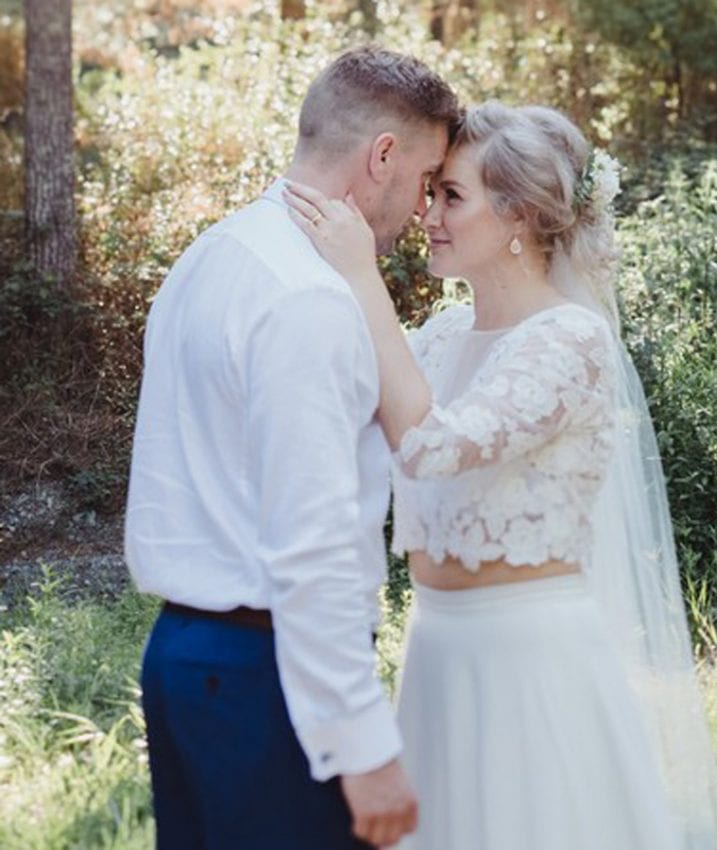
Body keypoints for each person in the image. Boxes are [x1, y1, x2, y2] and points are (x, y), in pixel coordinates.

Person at [283, 101, 717, 850]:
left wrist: (361, 274)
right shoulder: (442, 334)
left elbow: (429, 446)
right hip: (436, 654)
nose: (428, 213)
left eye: (451, 195)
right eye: (431, 193)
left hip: (530, 665)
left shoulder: (569, 341)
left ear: (521, 214)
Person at [124, 46, 460, 850]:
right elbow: (312, 541)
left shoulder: (213, 255)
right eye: (426, 179)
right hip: (267, 679)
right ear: (382, 156)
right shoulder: (309, 299)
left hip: (180, 655)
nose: (424, 209)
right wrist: (361, 745)